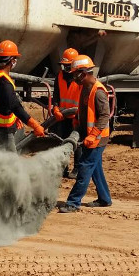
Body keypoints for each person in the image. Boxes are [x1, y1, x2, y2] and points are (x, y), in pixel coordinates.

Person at [59, 55, 112, 213]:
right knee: (95, 169)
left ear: (83, 73)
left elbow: (104, 116)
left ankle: (73, 202)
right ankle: (105, 199)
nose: (74, 77)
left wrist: (92, 135)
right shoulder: (84, 88)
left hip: (97, 138)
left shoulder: (98, 91)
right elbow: (83, 109)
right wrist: (76, 121)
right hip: (89, 136)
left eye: (75, 74)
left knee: (84, 168)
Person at [0, 40, 46, 151]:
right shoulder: (5, 82)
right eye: (15, 58)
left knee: (1, 155)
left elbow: (4, 102)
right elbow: (15, 106)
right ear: (12, 60)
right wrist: (35, 125)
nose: (15, 61)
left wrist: (15, 117)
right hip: (4, 129)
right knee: (10, 159)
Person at [51, 47, 82, 178]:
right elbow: (56, 95)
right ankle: (63, 167)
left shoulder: (80, 79)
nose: (66, 69)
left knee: (77, 143)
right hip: (62, 116)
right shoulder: (59, 76)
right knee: (62, 141)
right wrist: (55, 107)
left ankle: (77, 168)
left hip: (76, 116)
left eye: (68, 66)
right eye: (64, 65)